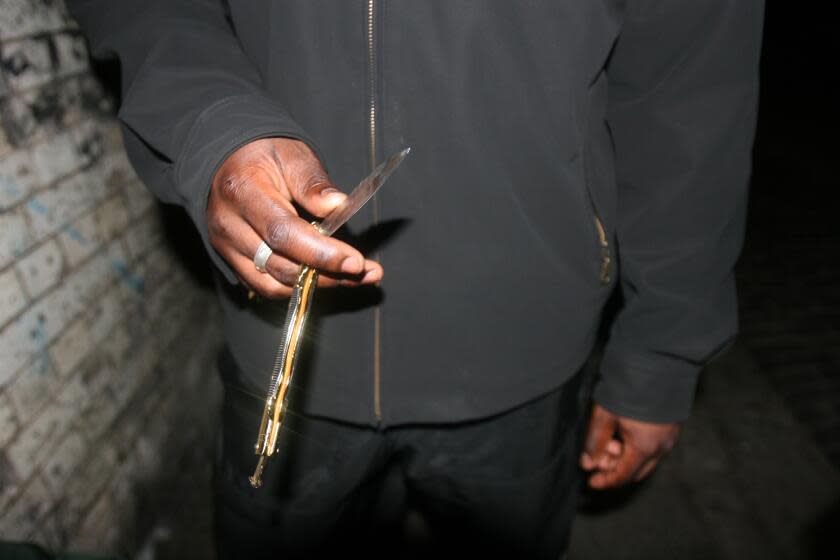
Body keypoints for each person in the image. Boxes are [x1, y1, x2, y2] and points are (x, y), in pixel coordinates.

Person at [69, 1, 764, 558]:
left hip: (522, 352)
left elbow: (691, 90)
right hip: (288, 351)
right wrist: (211, 124)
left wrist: (664, 349)